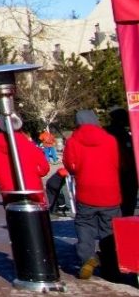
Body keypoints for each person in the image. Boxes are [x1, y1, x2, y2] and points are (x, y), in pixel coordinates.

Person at [64, 109, 122, 279]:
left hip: (86, 191)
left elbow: (70, 165)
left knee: (85, 226)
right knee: (109, 229)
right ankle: (111, 268)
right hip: (110, 191)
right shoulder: (110, 140)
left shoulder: (73, 141)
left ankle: (87, 257)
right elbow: (118, 163)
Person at [0, 115, 49, 204]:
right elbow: (44, 168)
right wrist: (35, 171)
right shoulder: (29, 145)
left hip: (8, 189)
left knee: (14, 214)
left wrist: (2, 175)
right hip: (33, 187)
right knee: (36, 215)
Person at [105, 108, 137, 217]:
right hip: (125, 174)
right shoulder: (122, 134)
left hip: (113, 174)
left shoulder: (107, 132)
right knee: (127, 206)